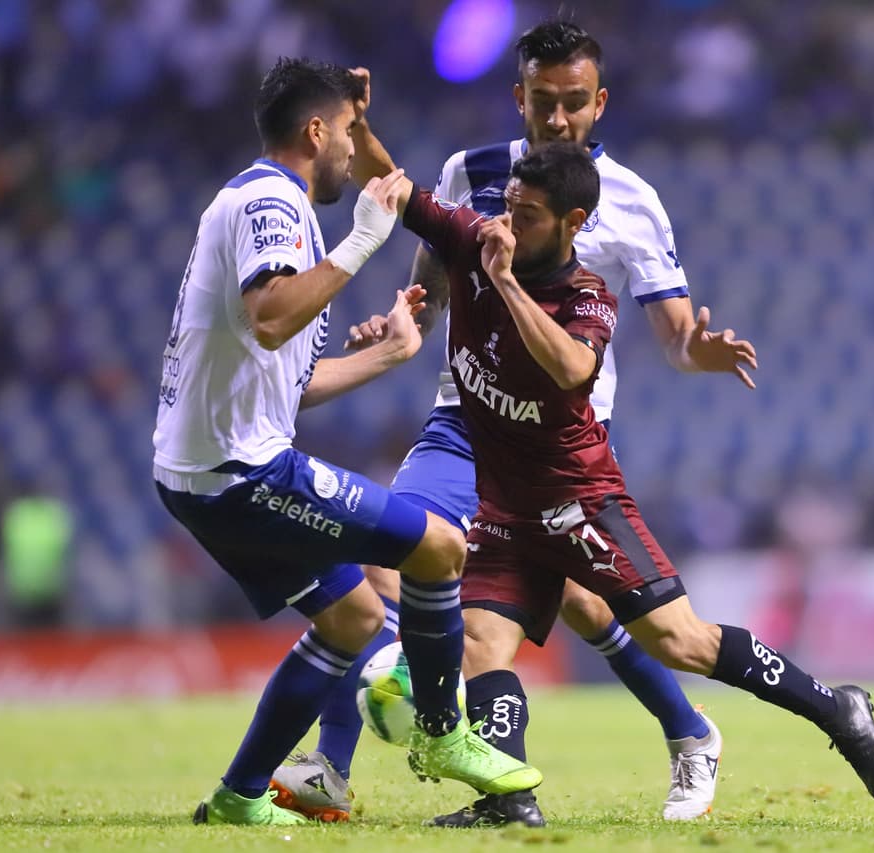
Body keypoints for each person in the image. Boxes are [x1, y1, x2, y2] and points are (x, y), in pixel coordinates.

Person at [275, 20, 757, 826]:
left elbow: (675, 337)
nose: (558, 117)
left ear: (600, 102)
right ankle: (332, 764)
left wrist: (697, 351)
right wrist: (404, 318)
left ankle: (689, 729)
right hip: (464, 421)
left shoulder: (633, 200)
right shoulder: (471, 172)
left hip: (560, 447)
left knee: (588, 606)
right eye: (543, 100)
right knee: (392, 552)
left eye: (575, 101)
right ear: (519, 97)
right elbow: (428, 273)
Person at [349, 131, 874, 825]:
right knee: (483, 643)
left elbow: (572, 369)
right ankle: (509, 798)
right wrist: (353, 124)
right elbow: (396, 186)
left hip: (580, 502)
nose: (509, 225)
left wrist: (505, 282)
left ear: (573, 223)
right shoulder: (477, 236)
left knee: (680, 641)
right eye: (508, 207)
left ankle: (836, 706)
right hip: (505, 506)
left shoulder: (586, 298)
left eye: (528, 216)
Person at [151, 57, 540, 826]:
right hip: (241, 472)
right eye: (349, 132)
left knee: (354, 618)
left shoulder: (256, 200)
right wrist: (363, 240)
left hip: (204, 470)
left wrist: (388, 354)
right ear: (315, 131)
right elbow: (271, 316)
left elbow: (283, 379)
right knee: (436, 547)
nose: (353, 150)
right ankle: (443, 732)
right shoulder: (272, 201)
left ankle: (239, 795)